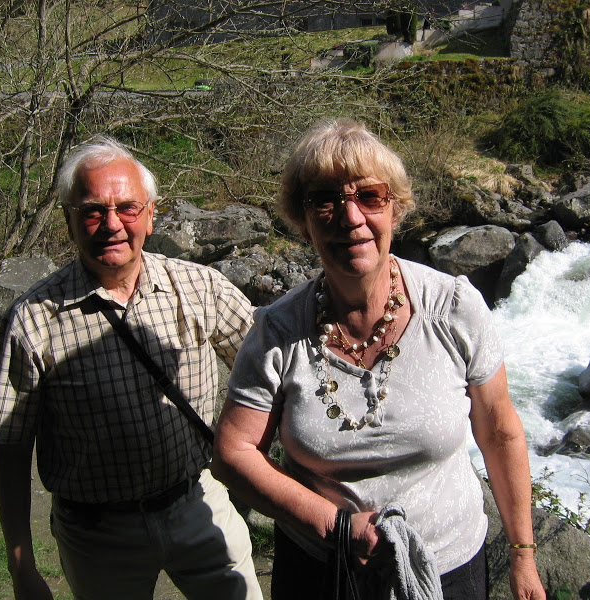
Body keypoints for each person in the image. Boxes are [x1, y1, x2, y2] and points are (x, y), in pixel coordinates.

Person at [211, 119, 546, 600]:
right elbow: (233, 453)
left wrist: (523, 554)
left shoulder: (453, 308)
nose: (351, 217)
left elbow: (499, 431)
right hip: (322, 572)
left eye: (370, 196)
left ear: (396, 208)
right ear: (303, 219)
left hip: (449, 568)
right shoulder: (277, 333)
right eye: (325, 200)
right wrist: (335, 525)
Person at [0, 136, 263, 600]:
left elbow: (271, 371)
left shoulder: (200, 288)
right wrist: (22, 568)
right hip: (98, 536)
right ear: (69, 219)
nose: (112, 224)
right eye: (93, 210)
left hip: (199, 502)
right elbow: (12, 452)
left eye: (128, 208)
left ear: (150, 215)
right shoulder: (33, 319)